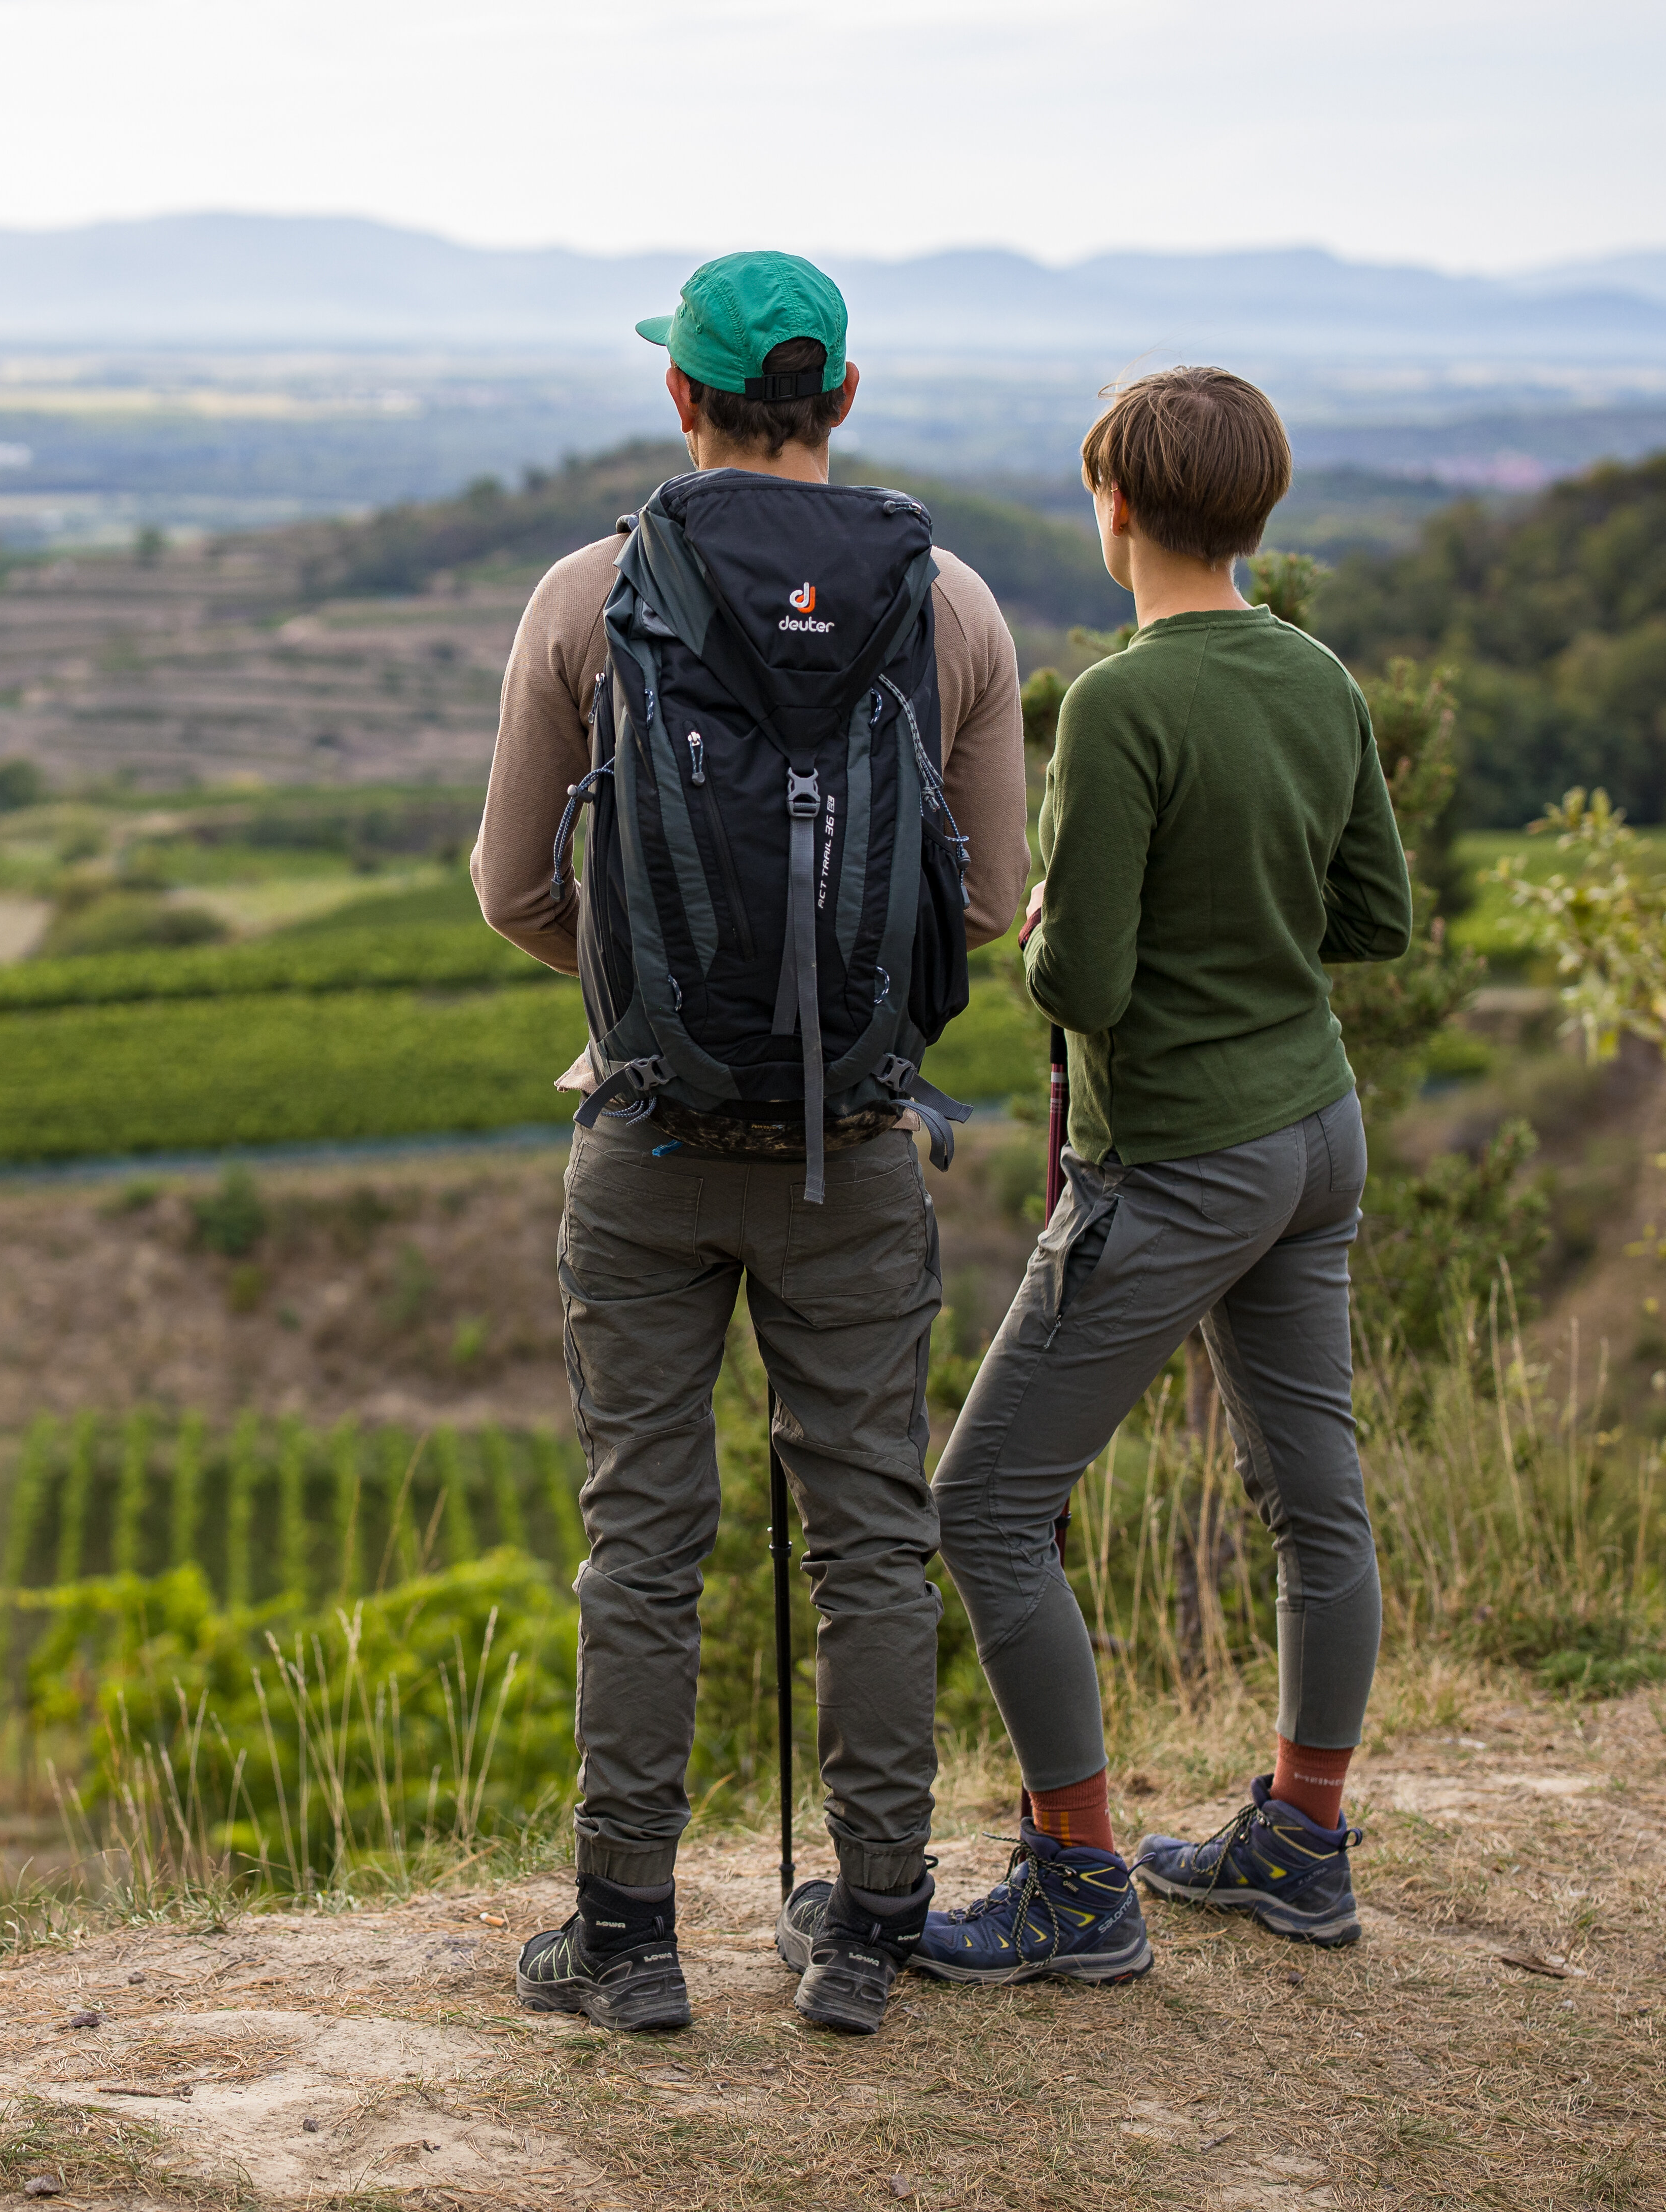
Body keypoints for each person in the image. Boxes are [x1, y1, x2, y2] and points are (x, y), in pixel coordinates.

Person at [472, 250, 1027, 2035]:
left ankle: (625, 1939)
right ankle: (868, 1929)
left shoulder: (588, 590)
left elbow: (509, 890)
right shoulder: (952, 606)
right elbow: (995, 903)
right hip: (858, 1142)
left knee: (642, 1535)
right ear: (843, 399)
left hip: (638, 1137)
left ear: (679, 399)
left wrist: (652, 994)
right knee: (869, 1528)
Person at [918, 367, 1411, 1985]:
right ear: (1252, 513)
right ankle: (1303, 1843)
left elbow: (1087, 992)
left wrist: (1048, 928)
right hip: (1314, 1135)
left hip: (1182, 1160)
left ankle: (1074, 1879)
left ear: (1113, 507)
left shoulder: (1121, 703)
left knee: (985, 1508)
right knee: (1313, 1505)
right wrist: (1245, 928)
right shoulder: (1319, 678)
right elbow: (1370, 921)